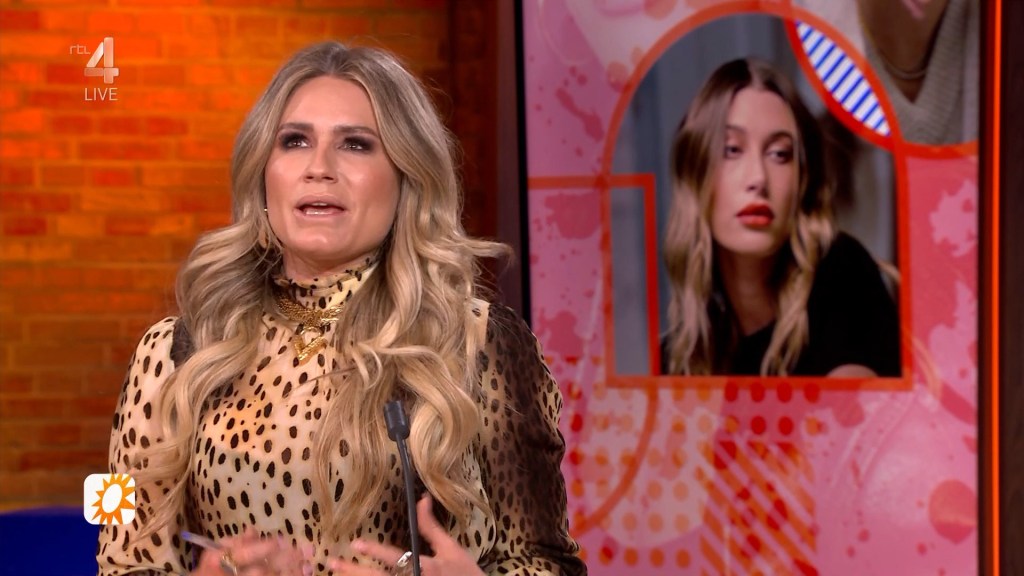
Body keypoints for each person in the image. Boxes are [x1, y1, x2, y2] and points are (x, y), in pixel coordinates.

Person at [96, 41, 587, 576]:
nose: (319, 168)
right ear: (263, 173)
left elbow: (551, 562)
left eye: (355, 144)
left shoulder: (481, 342)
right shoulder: (168, 352)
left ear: (407, 176)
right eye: (295, 141)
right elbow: (116, 559)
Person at [660, 58, 900, 378]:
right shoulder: (681, 354)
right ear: (695, 172)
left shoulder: (843, 275)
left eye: (779, 154)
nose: (758, 178)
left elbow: (850, 409)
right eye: (732, 150)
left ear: (802, 181)